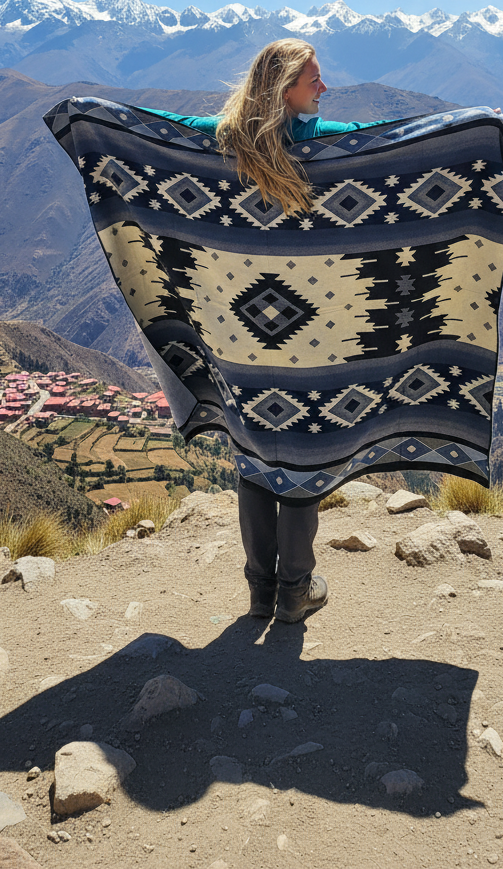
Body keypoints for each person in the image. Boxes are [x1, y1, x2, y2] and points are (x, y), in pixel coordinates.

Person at [147, 38, 389, 624]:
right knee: (302, 455)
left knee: (251, 451)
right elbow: (392, 141)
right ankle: (294, 591)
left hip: (237, 334)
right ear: (284, 87)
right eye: (314, 81)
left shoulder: (218, 137)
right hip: (308, 336)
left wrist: (86, 117)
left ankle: (259, 591)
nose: (323, 90)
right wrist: (474, 132)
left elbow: (155, 128)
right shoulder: (321, 140)